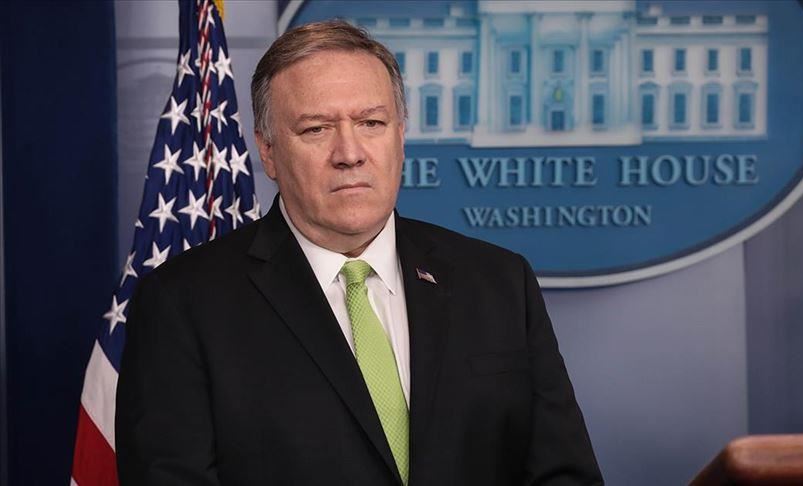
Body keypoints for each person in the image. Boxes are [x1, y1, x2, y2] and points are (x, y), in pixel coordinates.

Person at [116, 19, 603, 486]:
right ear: (268, 152)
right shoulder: (182, 304)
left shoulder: (499, 282)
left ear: (400, 136)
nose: (349, 153)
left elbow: (563, 475)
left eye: (371, 122)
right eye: (316, 129)